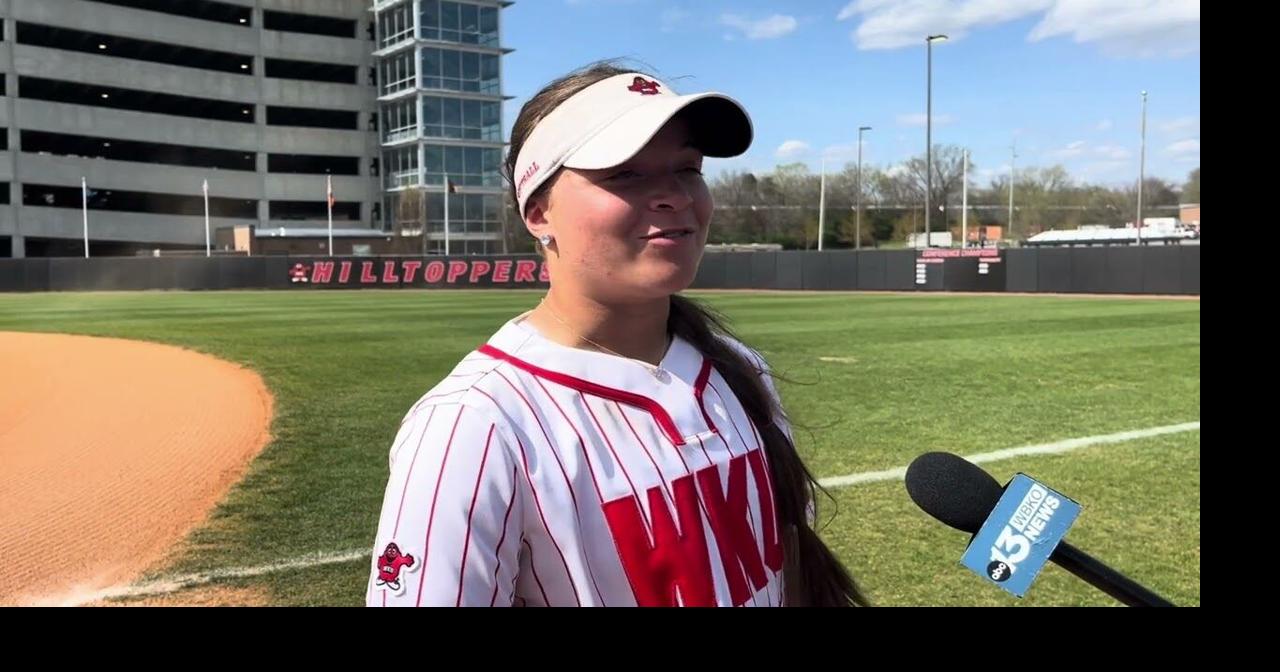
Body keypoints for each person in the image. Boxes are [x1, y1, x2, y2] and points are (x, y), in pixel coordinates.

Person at [367, 62, 865, 607]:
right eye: (625, 174)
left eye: (688, 168)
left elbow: (789, 571)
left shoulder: (739, 368)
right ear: (538, 212)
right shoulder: (473, 425)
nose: (674, 195)